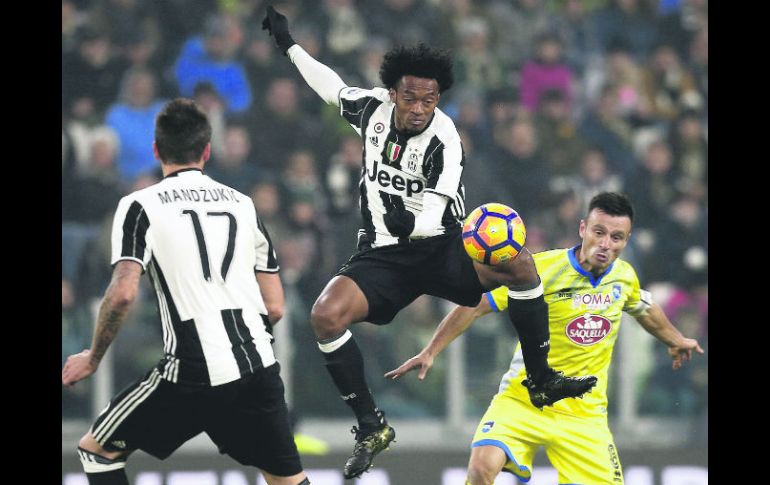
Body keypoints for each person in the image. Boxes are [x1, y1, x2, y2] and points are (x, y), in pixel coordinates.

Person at [262, 5, 597, 479]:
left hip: (441, 245)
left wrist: (402, 213)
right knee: (324, 317)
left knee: (522, 267)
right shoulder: (371, 109)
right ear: (394, 92)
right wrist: (290, 45)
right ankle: (371, 425)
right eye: (411, 98)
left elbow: (436, 209)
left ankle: (540, 378)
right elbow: (328, 85)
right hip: (381, 252)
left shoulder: (446, 140)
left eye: (430, 100)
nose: (420, 109)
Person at [61, 99, 309, 485]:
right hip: (258, 365)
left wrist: (93, 357)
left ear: (156, 149)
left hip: (192, 366)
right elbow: (274, 306)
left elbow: (123, 293)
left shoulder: (139, 205)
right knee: (287, 481)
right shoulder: (243, 205)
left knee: (97, 450)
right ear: (207, 151)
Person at [386, 192, 705, 485]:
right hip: (525, 398)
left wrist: (675, 339)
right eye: (599, 232)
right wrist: (431, 350)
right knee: (482, 467)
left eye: (616, 237)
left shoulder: (624, 277)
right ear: (583, 229)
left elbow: (644, 307)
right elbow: (475, 306)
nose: (606, 243)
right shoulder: (539, 269)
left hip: (584, 415)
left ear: (626, 240)